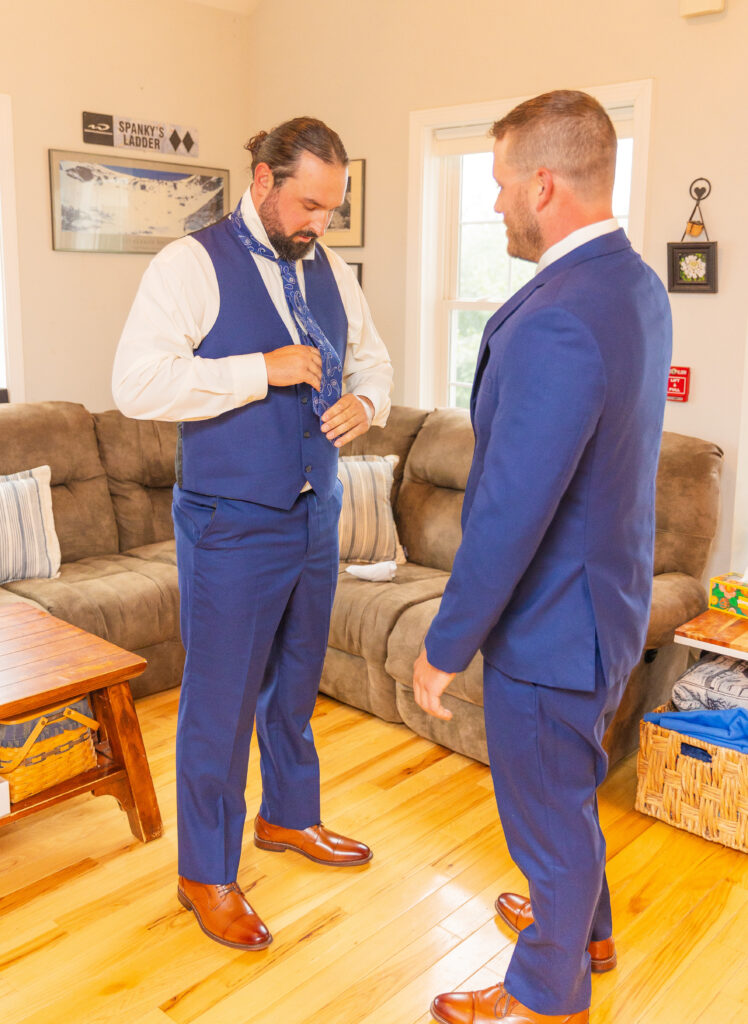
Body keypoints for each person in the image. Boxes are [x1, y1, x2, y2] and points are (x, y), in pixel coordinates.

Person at [413, 91, 671, 1024]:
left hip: (552, 629)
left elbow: (513, 513)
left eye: (501, 185)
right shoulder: (632, 283)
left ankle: (543, 995)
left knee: (548, 821)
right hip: (606, 606)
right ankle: (585, 930)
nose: (495, 206)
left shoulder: (564, 313)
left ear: (545, 184)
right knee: (571, 791)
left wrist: (444, 646)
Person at [113, 117, 392, 951]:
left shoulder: (330, 266)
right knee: (220, 702)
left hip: (314, 511)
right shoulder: (190, 264)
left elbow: (372, 357)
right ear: (264, 181)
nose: (320, 223)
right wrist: (257, 370)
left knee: (296, 683)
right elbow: (135, 383)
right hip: (230, 520)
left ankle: (288, 818)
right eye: (309, 204)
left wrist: (366, 405)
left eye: (332, 209)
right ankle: (205, 871)